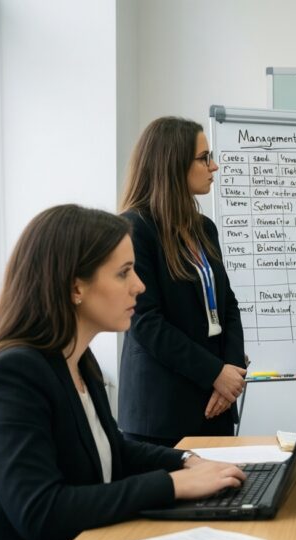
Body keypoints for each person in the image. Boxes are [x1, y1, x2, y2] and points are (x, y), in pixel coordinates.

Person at [0, 205, 246, 540]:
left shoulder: (76, 360)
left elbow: (113, 450)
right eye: (124, 273)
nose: (139, 286)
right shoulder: (12, 373)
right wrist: (174, 486)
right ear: (76, 287)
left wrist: (190, 462)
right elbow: (41, 511)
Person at [118, 117, 248, 446]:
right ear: (173, 163)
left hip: (216, 402)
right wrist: (215, 373)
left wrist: (231, 371)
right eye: (204, 158)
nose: (214, 166)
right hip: (162, 413)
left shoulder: (204, 229)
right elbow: (145, 321)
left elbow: (228, 305)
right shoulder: (135, 228)